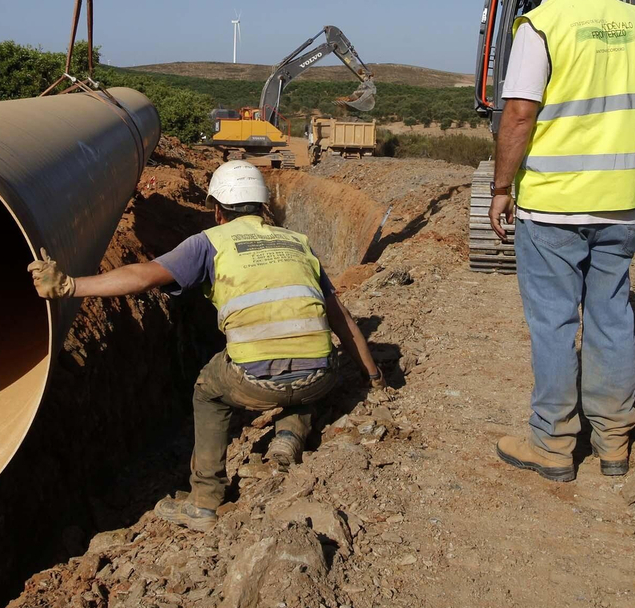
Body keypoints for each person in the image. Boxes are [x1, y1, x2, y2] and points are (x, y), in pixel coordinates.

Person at [27, 160, 384, 531]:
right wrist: (373, 378)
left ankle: (205, 501)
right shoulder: (298, 242)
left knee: (208, 392)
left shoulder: (209, 243)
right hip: (320, 375)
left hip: (255, 381)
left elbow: (141, 277)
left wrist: (69, 286)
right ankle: (290, 434)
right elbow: (341, 320)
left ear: (217, 210)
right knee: (308, 360)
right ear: (264, 205)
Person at [487, 0, 635, 482]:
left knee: (556, 324)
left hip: (554, 206)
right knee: (612, 318)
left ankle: (554, 445)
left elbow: (518, 114)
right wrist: (629, 166)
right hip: (619, 201)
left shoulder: (540, 27)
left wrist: (501, 186)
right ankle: (614, 442)